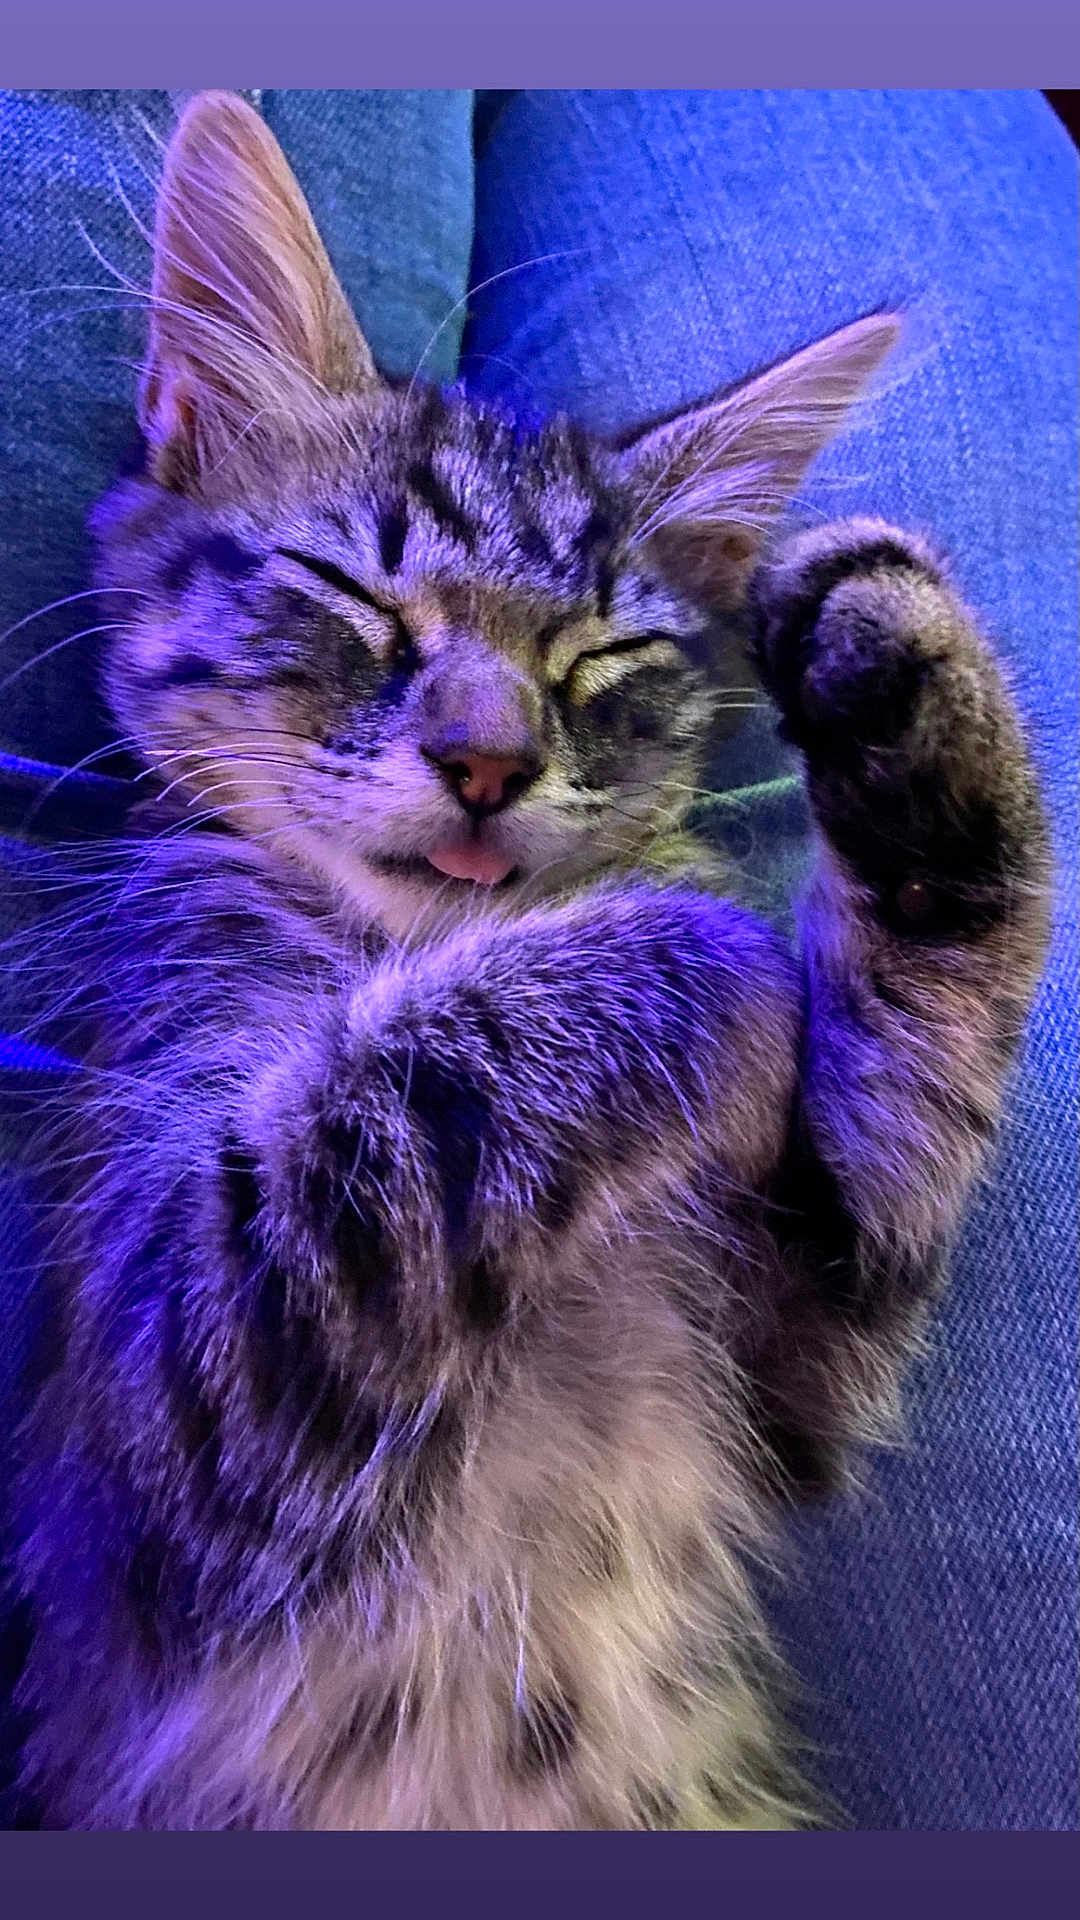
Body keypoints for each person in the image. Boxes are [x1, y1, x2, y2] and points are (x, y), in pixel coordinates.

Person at [1, 88, 1075, 1830]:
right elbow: (214, 1478)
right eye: (359, 612)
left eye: (597, 671)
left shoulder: (634, 916)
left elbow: (789, 1392)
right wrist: (643, 1005)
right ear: (191, 450)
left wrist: (922, 959)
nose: (487, 737)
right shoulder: (199, 933)